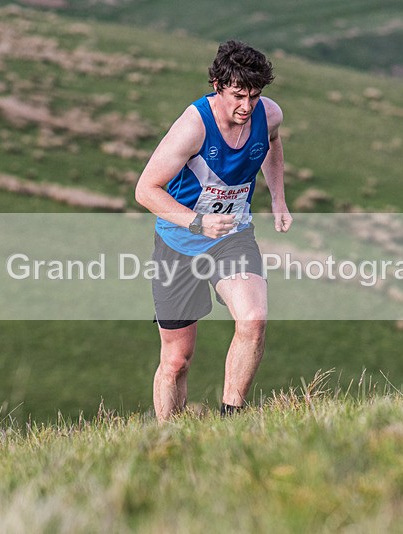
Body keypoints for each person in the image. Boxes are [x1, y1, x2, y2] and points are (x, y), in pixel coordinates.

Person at [135, 40, 292, 421]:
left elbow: (272, 144)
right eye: (238, 95)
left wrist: (278, 198)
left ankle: (230, 420)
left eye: (254, 96)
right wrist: (197, 220)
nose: (246, 106)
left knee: (253, 319)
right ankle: (169, 438)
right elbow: (145, 190)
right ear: (218, 86)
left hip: (232, 236)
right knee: (176, 360)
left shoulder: (269, 115)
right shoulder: (193, 127)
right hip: (178, 242)